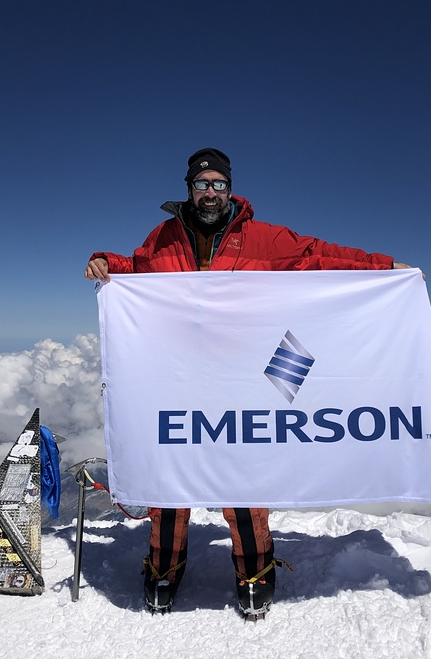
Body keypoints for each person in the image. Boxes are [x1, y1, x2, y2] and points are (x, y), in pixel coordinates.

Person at [85, 147, 413, 617]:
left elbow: (318, 256)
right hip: (176, 374)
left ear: (231, 188)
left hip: (240, 376)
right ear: (189, 188)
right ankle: (164, 565)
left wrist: (384, 269)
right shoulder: (164, 237)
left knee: (240, 476)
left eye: (219, 184)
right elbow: (138, 271)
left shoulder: (263, 238)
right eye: (202, 184)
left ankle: (254, 568)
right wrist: (105, 262)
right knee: (169, 471)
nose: (211, 193)